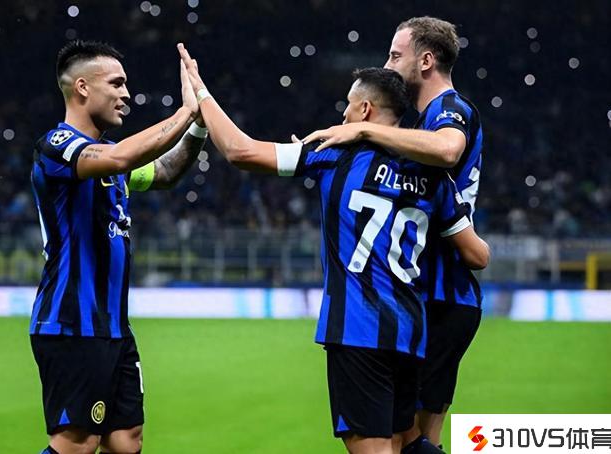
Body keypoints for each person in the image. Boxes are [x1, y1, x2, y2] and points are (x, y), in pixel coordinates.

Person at [178, 43, 488, 454]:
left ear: (365, 111)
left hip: (357, 329)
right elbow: (478, 255)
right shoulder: (436, 178)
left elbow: (240, 150)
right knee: (407, 443)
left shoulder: (334, 154)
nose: (342, 117)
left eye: (348, 108)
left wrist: (201, 95)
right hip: (410, 332)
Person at [302, 17, 485, 449]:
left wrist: (365, 128)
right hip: (423, 296)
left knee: (415, 438)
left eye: (395, 55)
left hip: (443, 294)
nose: (387, 64)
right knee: (406, 439)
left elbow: (448, 150)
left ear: (426, 61)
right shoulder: (421, 123)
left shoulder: (448, 109)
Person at [30, 40, 207, 454]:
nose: (126, 94)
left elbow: (165, 171)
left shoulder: (110, 155)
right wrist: (184, 112)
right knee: (77, 444)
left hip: (113, 328)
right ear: (82, 87)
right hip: (71, 322)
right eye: (116, 83)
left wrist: (198, 126)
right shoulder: (57, 146)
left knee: (126, 441)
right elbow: (119, 159)